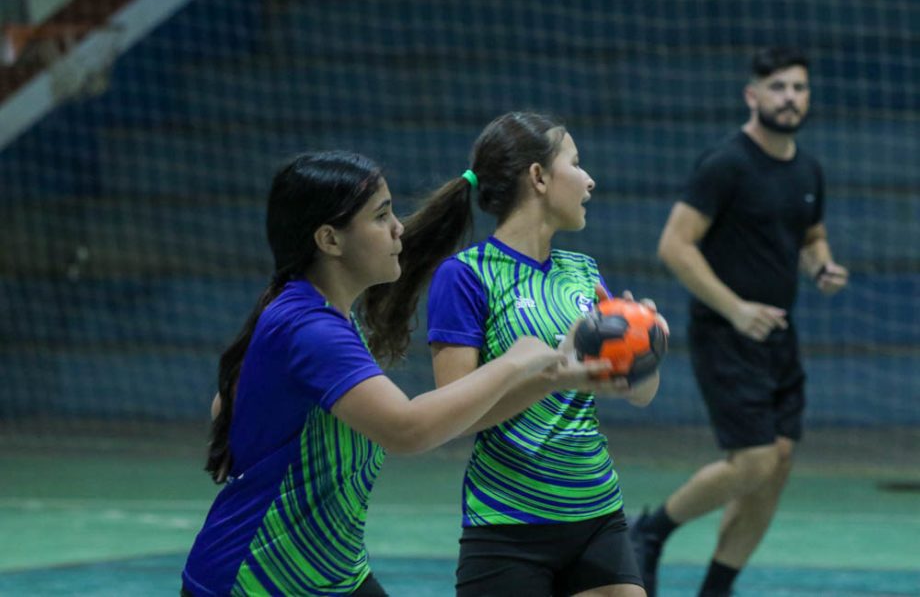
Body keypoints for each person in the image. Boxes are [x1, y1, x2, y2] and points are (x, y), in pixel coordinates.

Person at [181, 151, 609, 596]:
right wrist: (514, 361)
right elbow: (407, 430)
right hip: (255, 580)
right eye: (381, 215)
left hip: (333, 573)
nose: (398, 227)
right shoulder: (312, 329)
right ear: (329, 239)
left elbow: (224, 405)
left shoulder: (311, 310)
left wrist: (554, 375)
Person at [363, 111, 665, 597]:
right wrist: (553, 378)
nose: (589, 179)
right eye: (576, 162)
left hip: (597, 513)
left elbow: (641, 394)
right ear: (539, 177)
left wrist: (649, 345)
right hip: (509, 523)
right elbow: (459, 415)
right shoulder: (467, 276)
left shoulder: (584, 273)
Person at [630, 47, 849, 597]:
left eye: (799, 88)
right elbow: (675, 246)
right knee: (752, 461)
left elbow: (810, 234)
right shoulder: (726, 163)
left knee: (774, 470)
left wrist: (821, 266)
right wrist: (736, 308)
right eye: (778, 87)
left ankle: (716, 589)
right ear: (753, 95)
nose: (790, 98)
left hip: (780, 336)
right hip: (726, 334)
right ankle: (651, 532)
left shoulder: (808, 168)